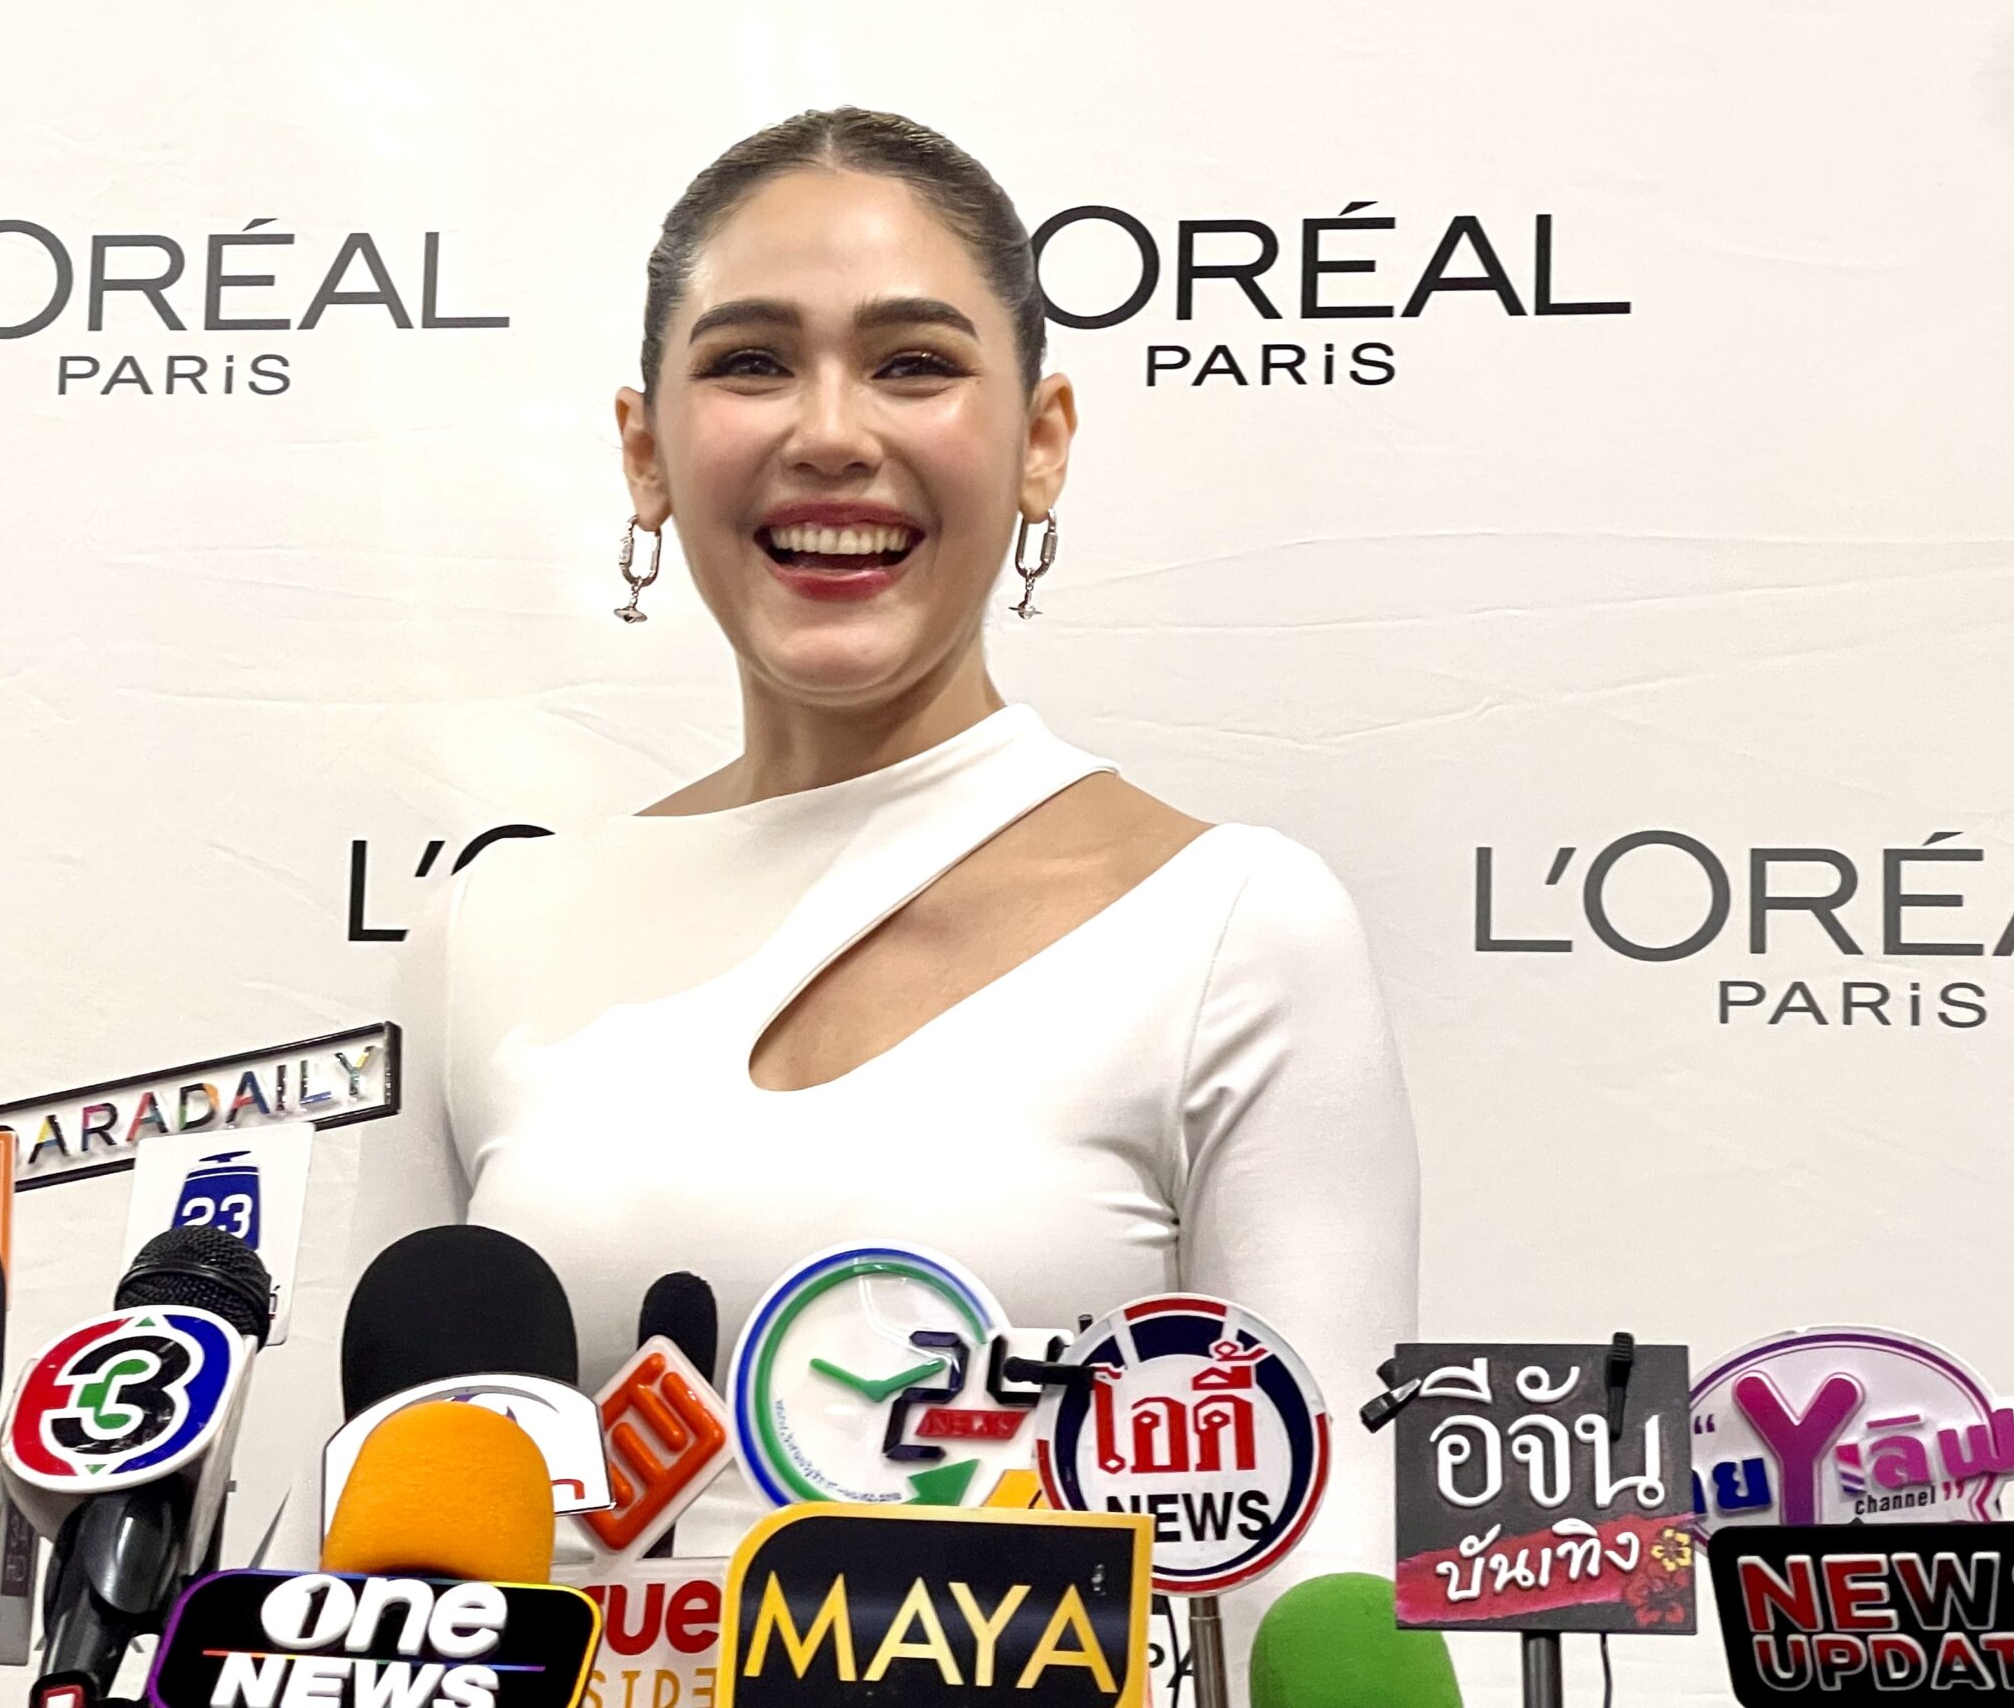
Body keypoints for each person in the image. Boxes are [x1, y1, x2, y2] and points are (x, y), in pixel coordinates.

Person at [346, 107, 1419, 1676]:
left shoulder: (1234, 929)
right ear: (645, 452)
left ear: (1041, 439)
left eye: (914, 364)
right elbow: (353, 1583)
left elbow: (1314, 1598)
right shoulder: (484, 938)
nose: (831, 433)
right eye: (751, 363)